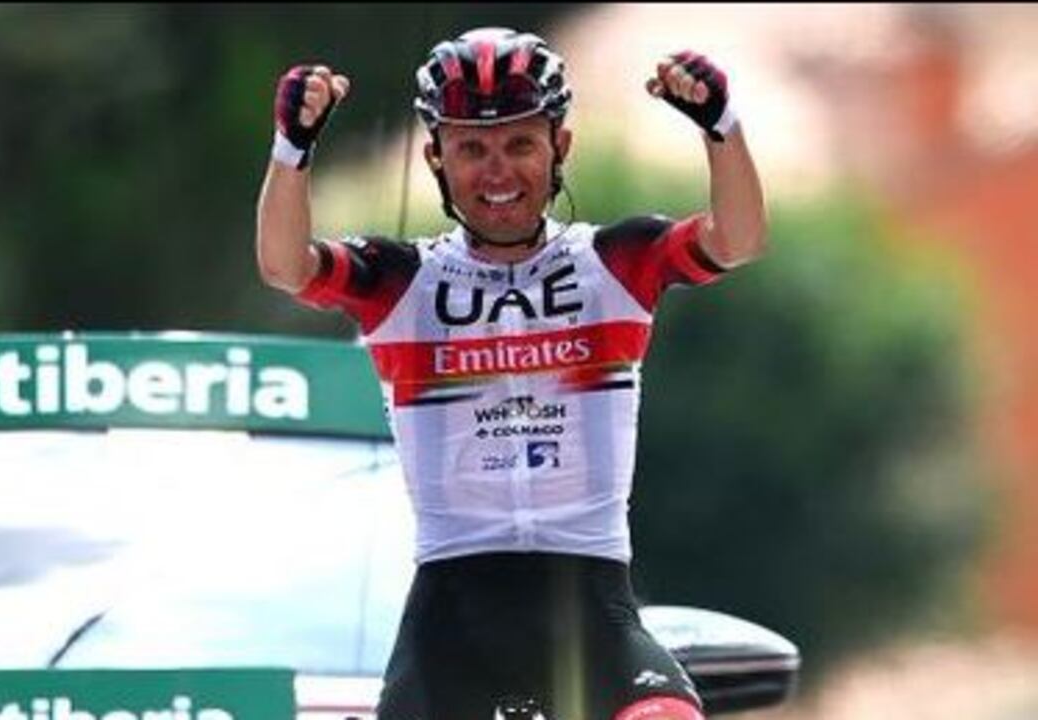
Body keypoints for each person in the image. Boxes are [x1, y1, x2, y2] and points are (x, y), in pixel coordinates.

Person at [256, 26, 767, 720]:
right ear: (436, 158)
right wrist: (292, 151)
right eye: (473, 149)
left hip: (592, 606)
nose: (497, 173)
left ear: (560, 147)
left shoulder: (614, 263)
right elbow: (285, 265)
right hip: (450, 625)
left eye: (519, 144)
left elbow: (737, 240)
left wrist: (721, 126)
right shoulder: (401, 280)